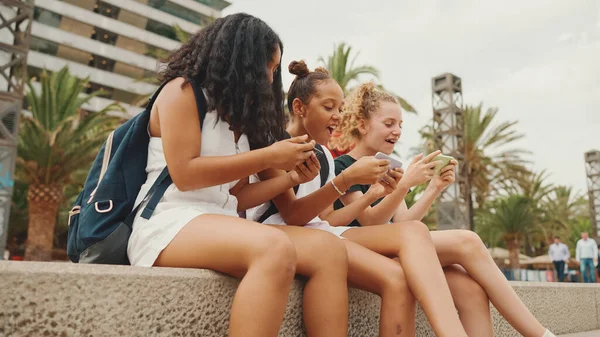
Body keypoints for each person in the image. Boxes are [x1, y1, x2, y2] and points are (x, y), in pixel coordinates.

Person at [127, 14, 350, 337]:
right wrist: (270, 155)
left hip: (220, 219)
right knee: (275, 247)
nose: (272, 77)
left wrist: (290, 179)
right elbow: (185, 174)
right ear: (243, 59)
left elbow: (236, 197)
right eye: (270, 67)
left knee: (329, 250)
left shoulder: (238, 118)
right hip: (168, 222)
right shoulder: (182, 92)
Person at [329, 81, 557, 337]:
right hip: (367, 252)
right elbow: (370, 222)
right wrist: (403, 185)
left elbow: (404, 220)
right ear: (362, 124)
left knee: (471, 290)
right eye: (389, 123)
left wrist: (433, 187)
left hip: (399, 245)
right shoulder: (344, 167)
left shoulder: (388, 167)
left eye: (400, 125)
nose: (397, 131)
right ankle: (539, 334)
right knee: (467, 241)